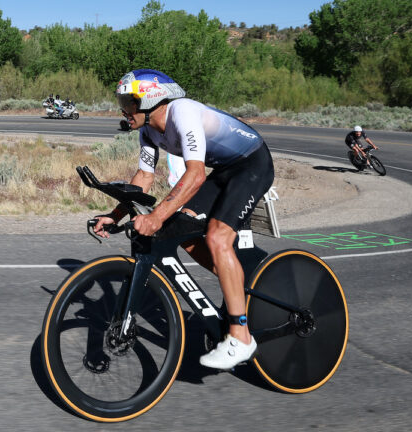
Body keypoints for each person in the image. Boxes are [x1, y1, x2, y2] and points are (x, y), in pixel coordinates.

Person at [92, 69, 275, 370]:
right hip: (226, 171)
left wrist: (155, 216)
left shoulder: (183, 112)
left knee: (217, 237)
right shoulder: (148, 130)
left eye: (128, 101)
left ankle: (241, 337)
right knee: (184, 233)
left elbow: (195, 174)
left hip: (252, 163)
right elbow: (144, 179)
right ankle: (236, 286)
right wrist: (114, 215)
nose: (123, 109)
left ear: (149, 98)